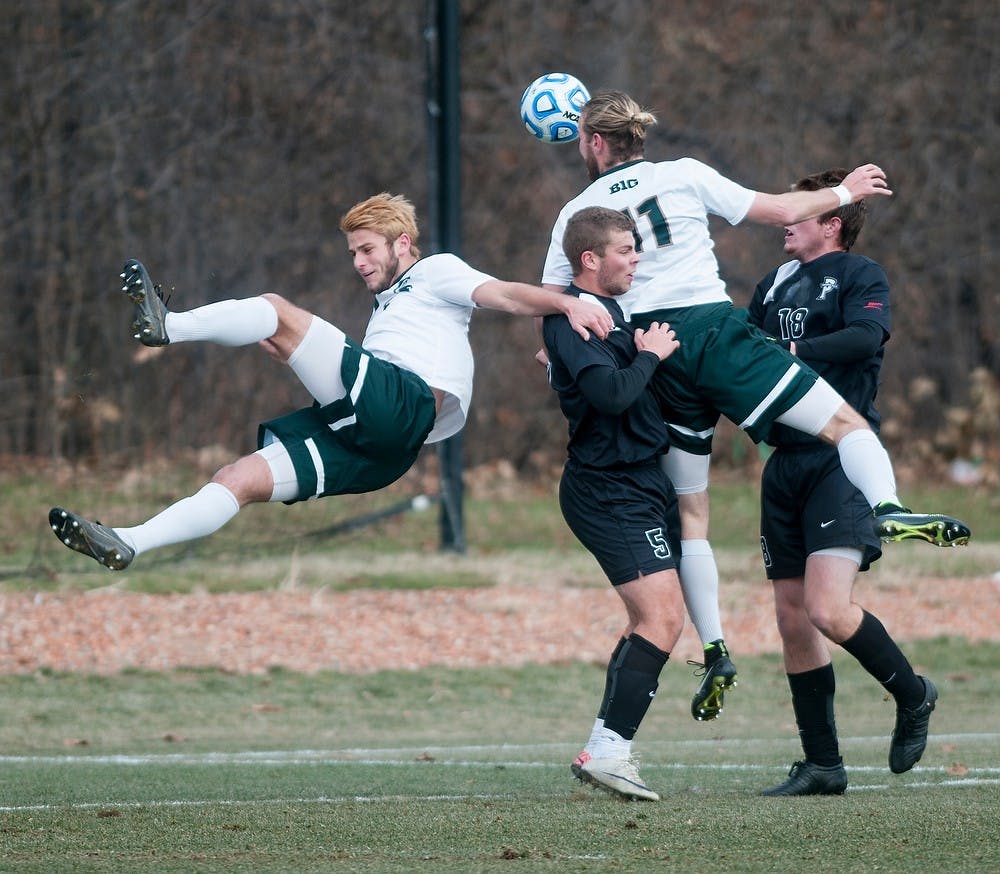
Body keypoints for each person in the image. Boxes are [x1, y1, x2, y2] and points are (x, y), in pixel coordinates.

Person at [541, 89, 971, 723]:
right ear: (634, 138)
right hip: (715, 335)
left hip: (651, 352)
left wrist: (558, 360)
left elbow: (558, 301)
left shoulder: (575, 214)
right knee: (844, 423)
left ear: (595, 143)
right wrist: (845, 192)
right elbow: (781, 209)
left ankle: (715, 647)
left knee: (690, 512)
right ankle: (886, 507)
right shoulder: (682, 174)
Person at [48, 192, 613, 570]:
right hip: (381, 447)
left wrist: (568, 306)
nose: (359, 263)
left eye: (367, 250)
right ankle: (130, 542)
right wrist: (288, 346)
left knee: (274, 308)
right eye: (353, 253)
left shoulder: (436, 270)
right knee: (238, 476)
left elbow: (507, 295)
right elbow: (285, 340)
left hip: (402, 407)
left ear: (403, 245)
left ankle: (166, 326)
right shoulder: (385, 312)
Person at [749, 168, 939, 796]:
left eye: (798, 212)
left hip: (839, 457)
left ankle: (913, 695)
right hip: (785, 466)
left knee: (828, 609)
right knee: (792, 617)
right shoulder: (771, 285)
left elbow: (865, 337)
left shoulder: (860, 275)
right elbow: (743, 354)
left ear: (831, 221)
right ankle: (823, 764)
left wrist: (791, 356)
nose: (785, 220)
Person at [543, 205, 683, 801]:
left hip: (637, 482)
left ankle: (604, 747)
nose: (636, 258)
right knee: (663, 620)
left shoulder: (609, 313)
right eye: (626, 249)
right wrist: (650, 355)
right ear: (590, 260)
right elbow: (610, 393)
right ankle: (609, 749)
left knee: (648, 621)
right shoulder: (576, 319)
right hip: (610, 489)